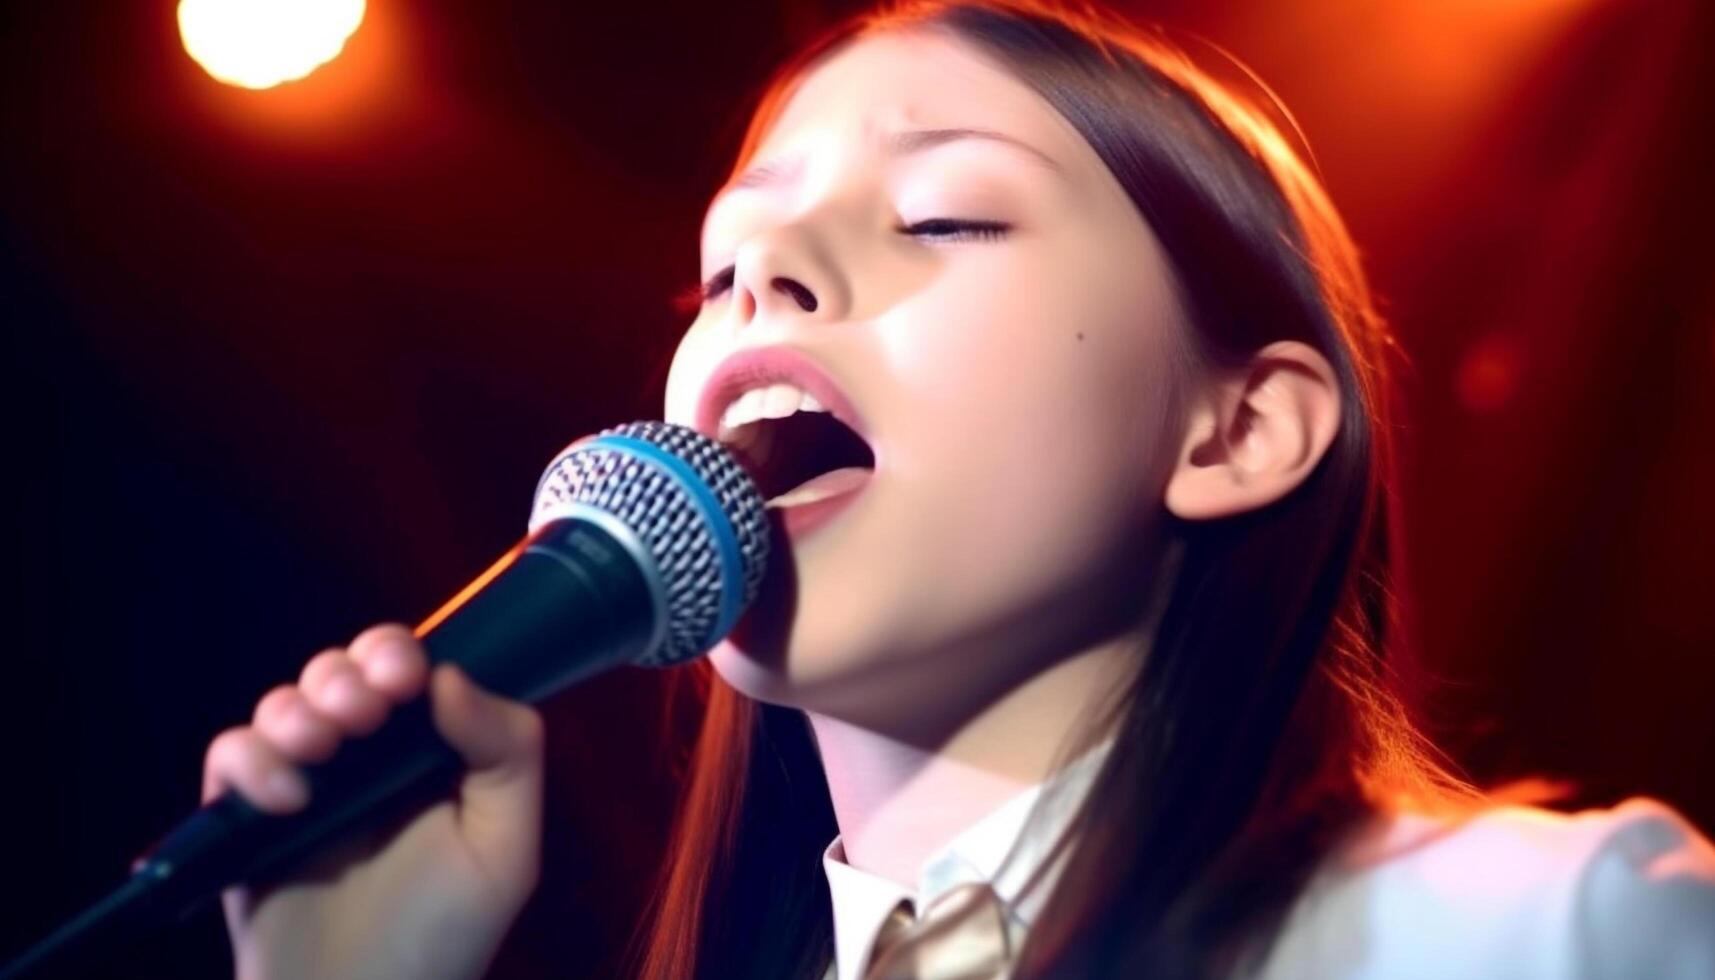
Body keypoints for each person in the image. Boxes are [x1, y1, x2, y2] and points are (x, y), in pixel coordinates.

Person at [200, 2, 1715, 978]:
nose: (766, 286)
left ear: (1235, 431)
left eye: (943, 216)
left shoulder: (1542, 931)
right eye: (727, 266)